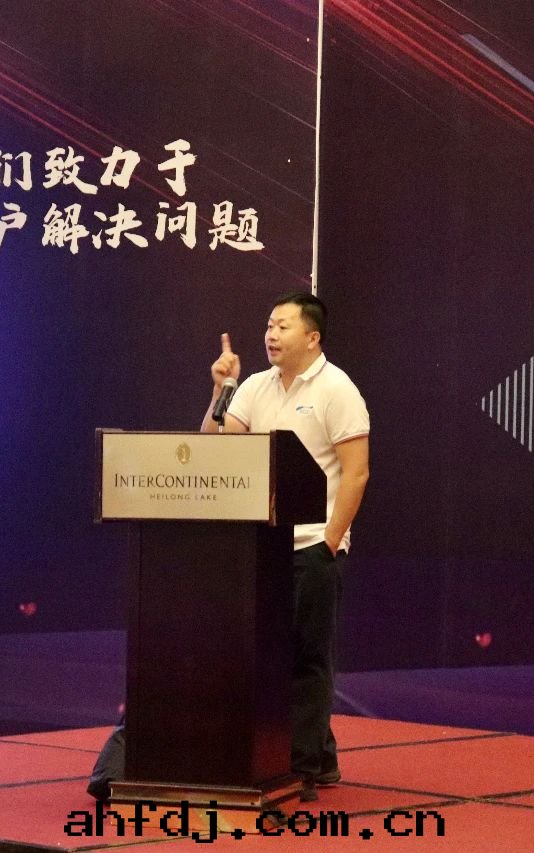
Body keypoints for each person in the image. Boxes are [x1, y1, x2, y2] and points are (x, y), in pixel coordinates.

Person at [202, 291, 370, 801]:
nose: (271, 335)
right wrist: (221, 389)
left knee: (307, 659)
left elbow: (356, 473)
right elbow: (216, 449)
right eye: (269, 325)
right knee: (265, 657)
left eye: (283, 326)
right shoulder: (254, 385)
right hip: (261, 547)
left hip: (313, 546)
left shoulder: (337, 389)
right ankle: (322, 755)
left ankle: (302, 768)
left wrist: (331, 542)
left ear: (312, 337)